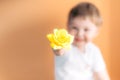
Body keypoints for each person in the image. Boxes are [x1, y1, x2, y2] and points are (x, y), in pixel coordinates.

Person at [53, 2, 110, 80]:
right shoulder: (66, 45)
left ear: (96, 32)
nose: (80, 34)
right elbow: (59, 51)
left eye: (86, 30)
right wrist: (58, 47)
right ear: (68, 26)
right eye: (75, 28)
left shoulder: (94, 51)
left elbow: (103, 76)